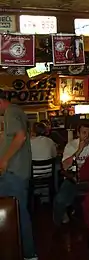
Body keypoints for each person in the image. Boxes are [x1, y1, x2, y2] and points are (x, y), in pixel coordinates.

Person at [0, 92, 37, 260]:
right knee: (16, 213)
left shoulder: (11, 111)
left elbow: (20, 136)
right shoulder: (15, 112)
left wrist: (4, 160)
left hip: (13, 174)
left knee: (16, 214)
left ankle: (28, 253)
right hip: (15, 173)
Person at [53, 121, 89, 225]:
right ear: (78, 134)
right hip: (73, 178)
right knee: (60, 200)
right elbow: (65, 166)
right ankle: (58, 225)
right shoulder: (71, 145)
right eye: (84, 133)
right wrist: (79, 150)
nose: (86, 136)